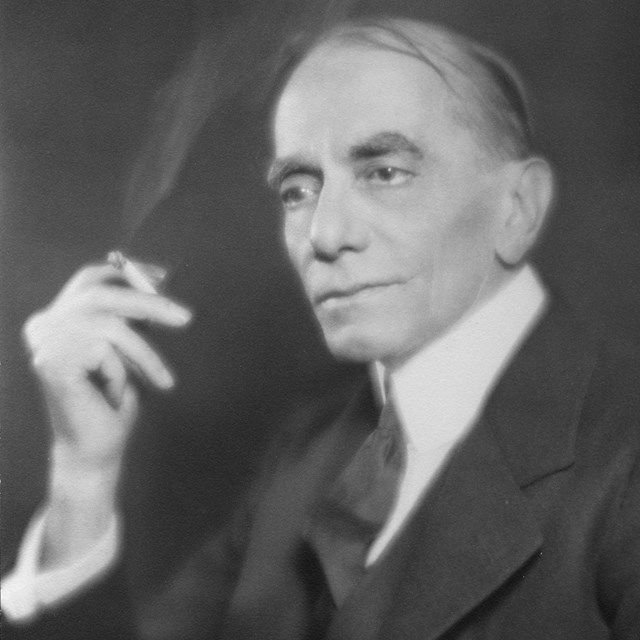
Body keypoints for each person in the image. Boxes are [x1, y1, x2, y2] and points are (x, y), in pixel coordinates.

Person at [3, 16, 640, 640]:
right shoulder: (309, 455)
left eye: (385, 172)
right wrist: (82, 473)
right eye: (297, 190)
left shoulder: (622, 457)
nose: (325, 236)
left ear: (517, 208)